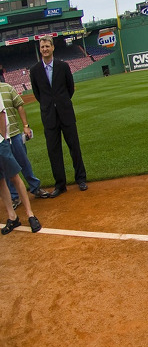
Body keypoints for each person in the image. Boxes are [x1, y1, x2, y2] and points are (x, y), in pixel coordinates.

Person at [29, 35, 87, 197]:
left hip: (66, 113)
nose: (45, 49)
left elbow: (70, 88)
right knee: (53, 152)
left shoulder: (63, 66)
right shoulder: (35, 70)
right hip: (49, 117)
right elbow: (38, 93)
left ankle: (81, 179)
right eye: (42, 47)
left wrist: (61, 102)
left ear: (53, 47)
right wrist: (50, 105)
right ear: (40, 49)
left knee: (74, 147)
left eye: (47, 46)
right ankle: (60, 185)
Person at [0, 81, 49, 207]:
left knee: (24, 162)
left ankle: (35, 188)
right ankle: (14, 197)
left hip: (14, 134)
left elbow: (20, 106)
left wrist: (26, 126)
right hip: (0, 139)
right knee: (6, 169)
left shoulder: (7, 88)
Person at [0, 92, 41, 234]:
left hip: (0, 143)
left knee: (14, 177)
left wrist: (3, 139)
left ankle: (30, 214)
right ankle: (12, 217)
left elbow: (1, 115)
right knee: (0, 181)